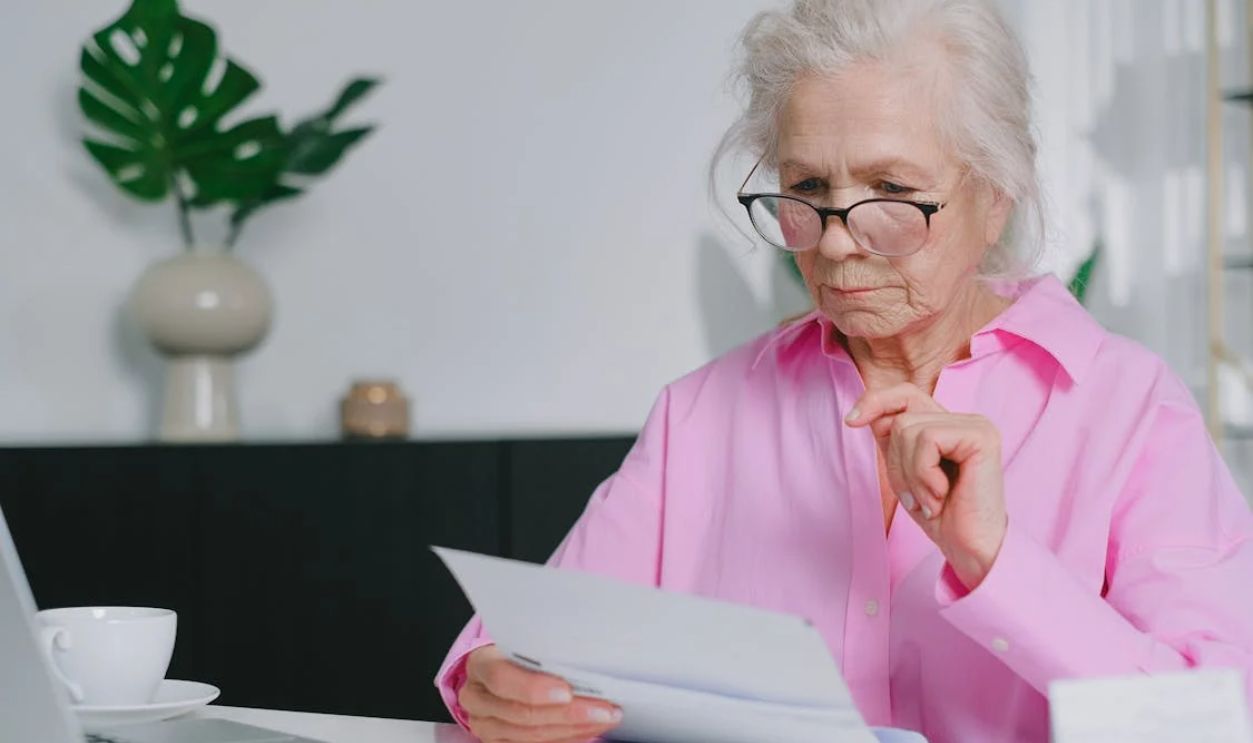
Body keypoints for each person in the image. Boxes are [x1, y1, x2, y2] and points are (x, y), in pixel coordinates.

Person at [433, 1, 1253, 741]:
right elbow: (528, 640)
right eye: (806, 189)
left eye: (892, 189)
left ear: (996, 192)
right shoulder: (703, 412)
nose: (831, 241)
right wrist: (491, 680)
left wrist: (998, 562)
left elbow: (1213, 722)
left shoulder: (1128, 408)